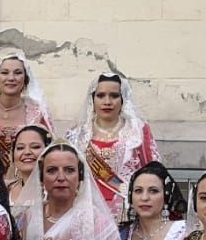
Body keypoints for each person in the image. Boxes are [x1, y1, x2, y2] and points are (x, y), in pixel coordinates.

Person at [68, 73, 160, 224]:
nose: (107, 102)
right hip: (87, 211)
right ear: (92, 99)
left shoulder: (137, 130)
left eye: (114, 96)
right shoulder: (77, 134)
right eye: (101, 95)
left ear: (123, 99)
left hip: (127, 211)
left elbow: (154, 171)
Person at [0, 52, 54, 167]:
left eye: (18, 73)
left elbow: (49, 151)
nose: (11, 78)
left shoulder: (38, 112)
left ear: (25, 79)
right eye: (4, 73)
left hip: (26, 178)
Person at [6, 125, 51, 224]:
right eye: (20, 148)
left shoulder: (55, 190)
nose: (27, 152)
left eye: (35, 147)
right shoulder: (4, 190)